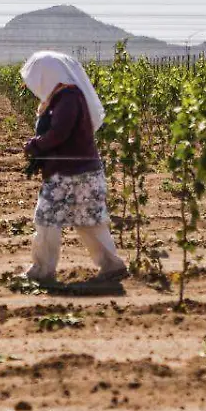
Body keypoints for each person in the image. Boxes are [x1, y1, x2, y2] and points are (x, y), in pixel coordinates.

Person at [19, 51, 128, 284]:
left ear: (48, 75)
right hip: (81, 171)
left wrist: (35, 145)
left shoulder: (68, 98)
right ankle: (111, 266)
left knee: (48, 218)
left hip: (69, 173)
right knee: (89, 220)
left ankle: (42, 271)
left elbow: (59, 133)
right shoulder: (65, 96)